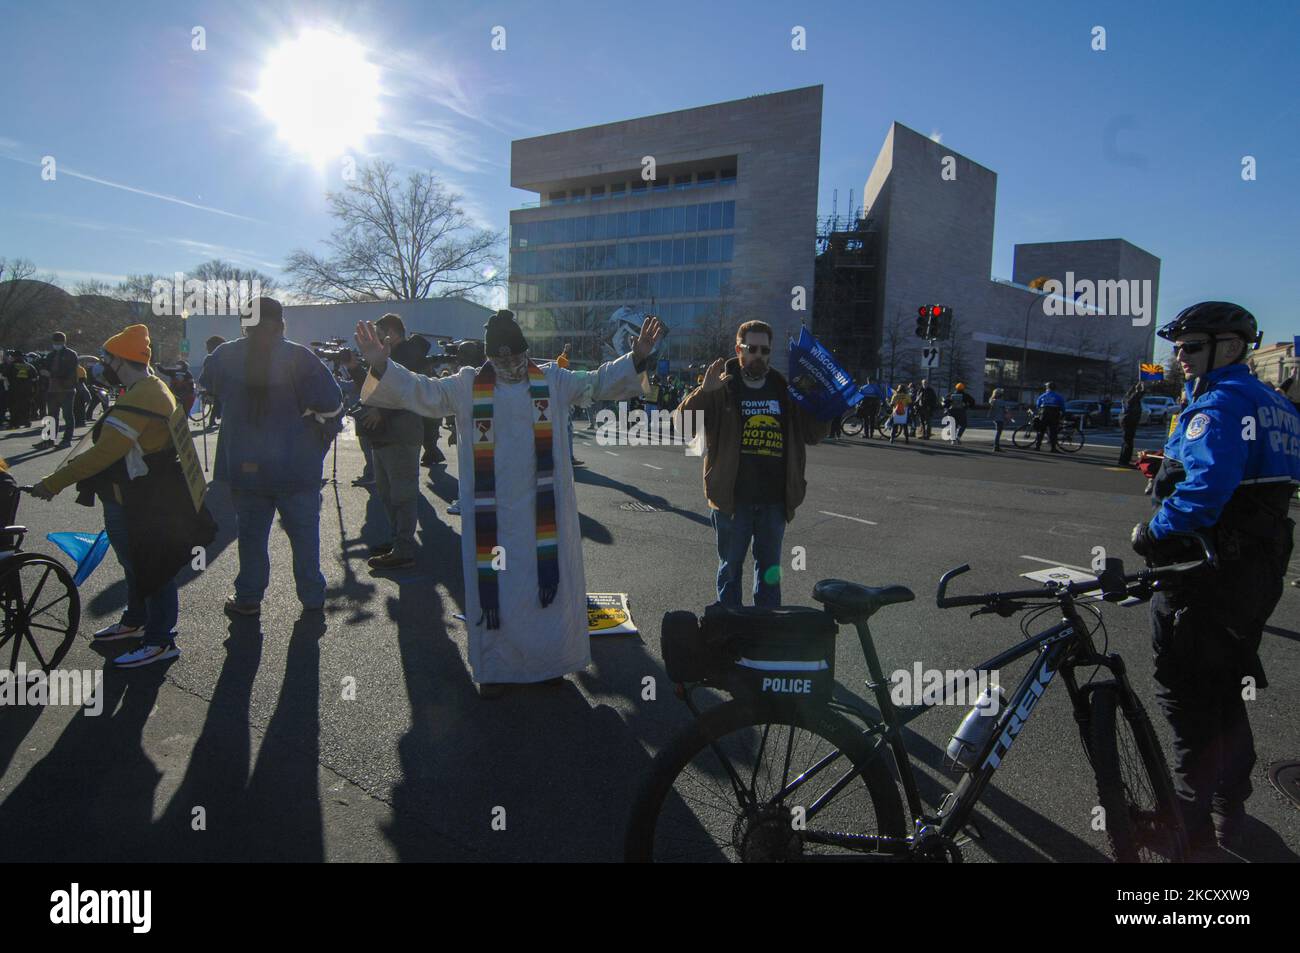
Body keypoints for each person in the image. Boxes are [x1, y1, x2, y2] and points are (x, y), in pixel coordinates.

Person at [356, 309, 663, 698]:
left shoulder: (553, 379)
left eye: (516, 358)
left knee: (544, 593)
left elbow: (599, 382)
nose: (510, 366)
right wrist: (381, 363)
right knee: (499, 594)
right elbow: (424, 392)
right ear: (488, 358)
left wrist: (637, 357)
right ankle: (499, 668)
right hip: (494, 518)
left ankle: (548, 664)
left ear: (527, 353)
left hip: (544, 515)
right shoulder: (467, 385)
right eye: (500, 360)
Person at [1130, 301, 1300, 853]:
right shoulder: (1273, 401)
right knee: (1225, 686)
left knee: (1186, 692)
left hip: (1206, 572)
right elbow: (1256, 474)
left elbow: (1205, 493)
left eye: (1190, 346)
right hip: (1257, 568)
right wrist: (1171, 465)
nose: (1179, 357)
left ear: (1228, 347)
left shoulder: (1221, 402)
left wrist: (1154, 530)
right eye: (1178, 347)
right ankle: (1231, 811)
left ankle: (1188, 820)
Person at [29, 325, 214, 667]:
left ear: (121, 360)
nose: (102, 365)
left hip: (139, 498)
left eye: (106, 358)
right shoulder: (149, 386)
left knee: (152, 568)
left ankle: (160, 640)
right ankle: (135, 621)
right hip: (133, 495)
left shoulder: (142, 395)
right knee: (135, 564)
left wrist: (53, 483)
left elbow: (104, 454)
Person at [200, 297, 343, 616]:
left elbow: (208, 390)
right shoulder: (300, 357)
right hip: (296, 466)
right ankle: (312, 597)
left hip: (244, 465)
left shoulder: (223, 355)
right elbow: (332, 405)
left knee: (251, 537)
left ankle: (249, 597)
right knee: (304, 537)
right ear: (281, 323)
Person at [679, 320, 829, 608]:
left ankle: (765, 638)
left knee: (770, 574)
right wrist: (703, 393)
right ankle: (730, 635)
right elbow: (684, 427)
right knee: (730, 571)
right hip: (733, 502)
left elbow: (813, 435)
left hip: (774, 502)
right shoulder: (722, 387)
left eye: (765, 350)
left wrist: (823, 405)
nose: (758, 355)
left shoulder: (785, 390)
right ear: (739, 350)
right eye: (752, 349)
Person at [357, 314, 426, 571]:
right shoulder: (386, 359)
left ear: (393, 333)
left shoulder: (409, 356)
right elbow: (370, 390)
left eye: (378, 332)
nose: (374, 337)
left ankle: (404, 548)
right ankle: (398, 542)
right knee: (386, 494)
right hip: (382, 436)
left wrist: (382, 412)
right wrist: (355, 367)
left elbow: (410, 393)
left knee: (402, 495)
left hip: (401, 434)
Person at [42, 331, 80, 447]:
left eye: (58, 342)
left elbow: (70, 372)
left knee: (68, 415)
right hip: (52, 389)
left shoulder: (71, 354)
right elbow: (45, 368)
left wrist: (51, 374)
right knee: (51, 416)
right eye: (54, 342)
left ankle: (67, 440)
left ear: (64, 342)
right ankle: (49, 439)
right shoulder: (50, 355)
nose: (56, 344)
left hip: (66, 389)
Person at [1032, 381, 1066, 452]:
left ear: (1047, 387)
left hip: (1044, 413)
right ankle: (1053, 448)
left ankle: (1037, 446)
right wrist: (1063, 413)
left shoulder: (1043, 395)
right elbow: (1062, 406)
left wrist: (1039, 411)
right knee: (1053, 431)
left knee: (1041, 430)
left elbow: (1038, 405)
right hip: (1054, 414)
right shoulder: (1058, 396)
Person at [5, 351, 35, 429]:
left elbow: (5, 377)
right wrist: (34, 391)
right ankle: (26, 422)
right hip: (26, 391)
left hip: (14, 390)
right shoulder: (29, 366)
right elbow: (35, 379)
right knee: (26, 406)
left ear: (15, 357)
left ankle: (14, 423)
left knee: (14, 407)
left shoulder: (11, 366)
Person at [1118, 382, 1145, 467]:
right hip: (1128, 421)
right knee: (1127, 442)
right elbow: (1132, 399)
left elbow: (1138, 396)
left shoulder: (1129, 398)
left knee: (1128, 442)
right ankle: (1124, 461)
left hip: (1129, 421)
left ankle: (1124, 460)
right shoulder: (1128, 399)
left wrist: (1142, 389)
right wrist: (1137, 391)